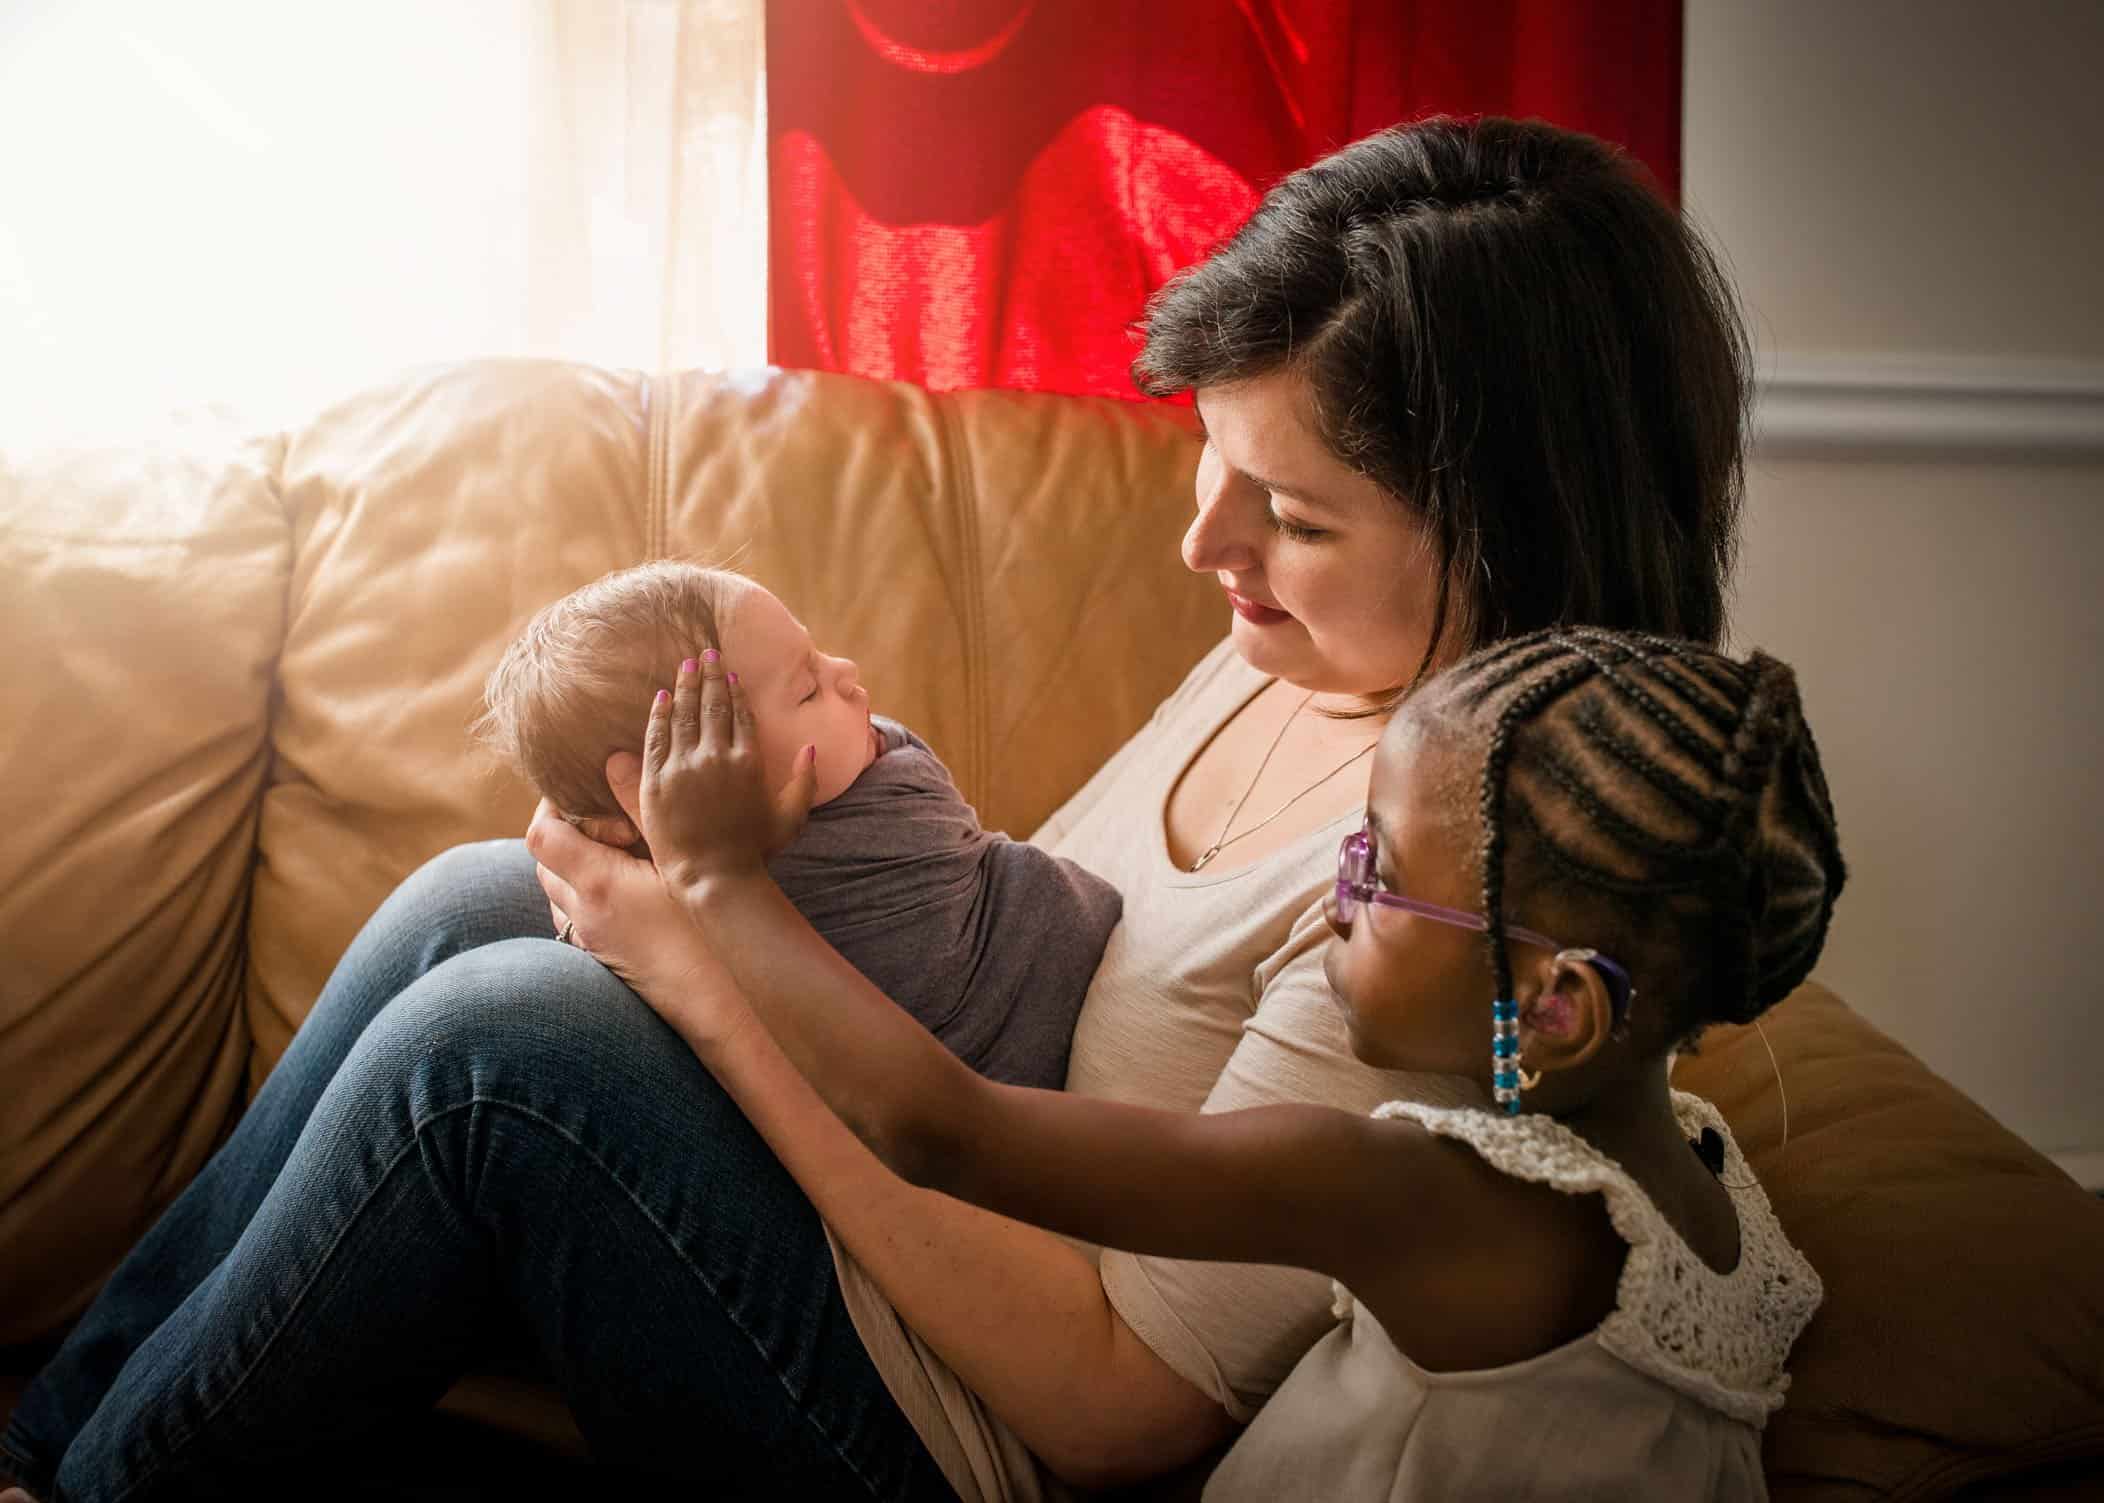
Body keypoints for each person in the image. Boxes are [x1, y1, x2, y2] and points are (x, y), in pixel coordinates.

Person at [1, 115, 1754, 1503]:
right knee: (486, 896)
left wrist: (705, 975)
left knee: (504, 1037)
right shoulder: (1297, 652)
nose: (1200, 547)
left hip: (956, 1423)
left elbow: (1110, 1411)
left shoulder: (1458, 897)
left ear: (1504, 526)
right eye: (1209, 466)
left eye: (1285, 510)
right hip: (887, 1230)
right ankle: (49, 1442)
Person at [596, 626, 1839, 1501]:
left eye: (1378, 877)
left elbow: (942, 1130)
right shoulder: (1725, 1209)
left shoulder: (1414, 1193)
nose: (1332, 899)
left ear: (1553, 1010)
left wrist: (715, 881)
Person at [476, 559, 1121, 1091]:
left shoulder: (894, 818)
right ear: (651, 802)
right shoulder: (645, 922)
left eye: (818, 662)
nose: (848, 673)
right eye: (808, 689)